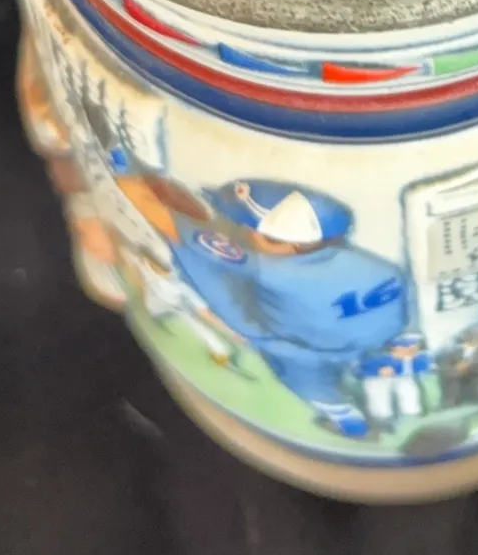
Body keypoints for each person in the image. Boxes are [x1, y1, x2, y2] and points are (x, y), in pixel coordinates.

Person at [171, 179, 408, 438]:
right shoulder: (378, 267)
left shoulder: (273, 269)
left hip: (301, 352)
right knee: (374, 370)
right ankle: (382, 399)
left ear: (285, 243)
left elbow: (188, 236)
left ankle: (349, 420)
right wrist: (406, 340)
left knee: (312, 386)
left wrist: (146, 194)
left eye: (252, 229)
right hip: (367, 341)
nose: (246, 233)